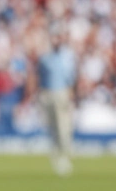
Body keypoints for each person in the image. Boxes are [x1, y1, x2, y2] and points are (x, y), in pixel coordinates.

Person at [37, 29, 77, 176]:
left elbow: (70, 79)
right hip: (47, 94)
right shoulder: (45, 58)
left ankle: (64, 155)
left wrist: (71, 94)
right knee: (52, 127)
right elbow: (39, 77)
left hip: (62, 94)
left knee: (63, 127)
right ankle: (55, 155)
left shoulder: (67, 57)